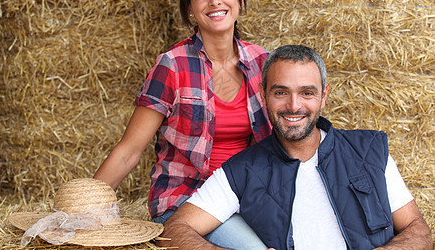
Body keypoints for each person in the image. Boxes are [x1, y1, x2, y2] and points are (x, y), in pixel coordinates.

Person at [158, 45, 432, 250]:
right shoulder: (241, 170)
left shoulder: (369, 150)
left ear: (323, 97)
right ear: (264, 96)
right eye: (281, 92)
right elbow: (174, 230)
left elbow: (418, 231)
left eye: (306, 93)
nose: (293, 106)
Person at [93, 0, 271, 249]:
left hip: (247, 196)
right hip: (186, 199)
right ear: (190, 10)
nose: (215, 1)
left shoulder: (262, 62)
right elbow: (129, 150)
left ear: (239, 0)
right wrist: (80, 211)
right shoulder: (172, 65)